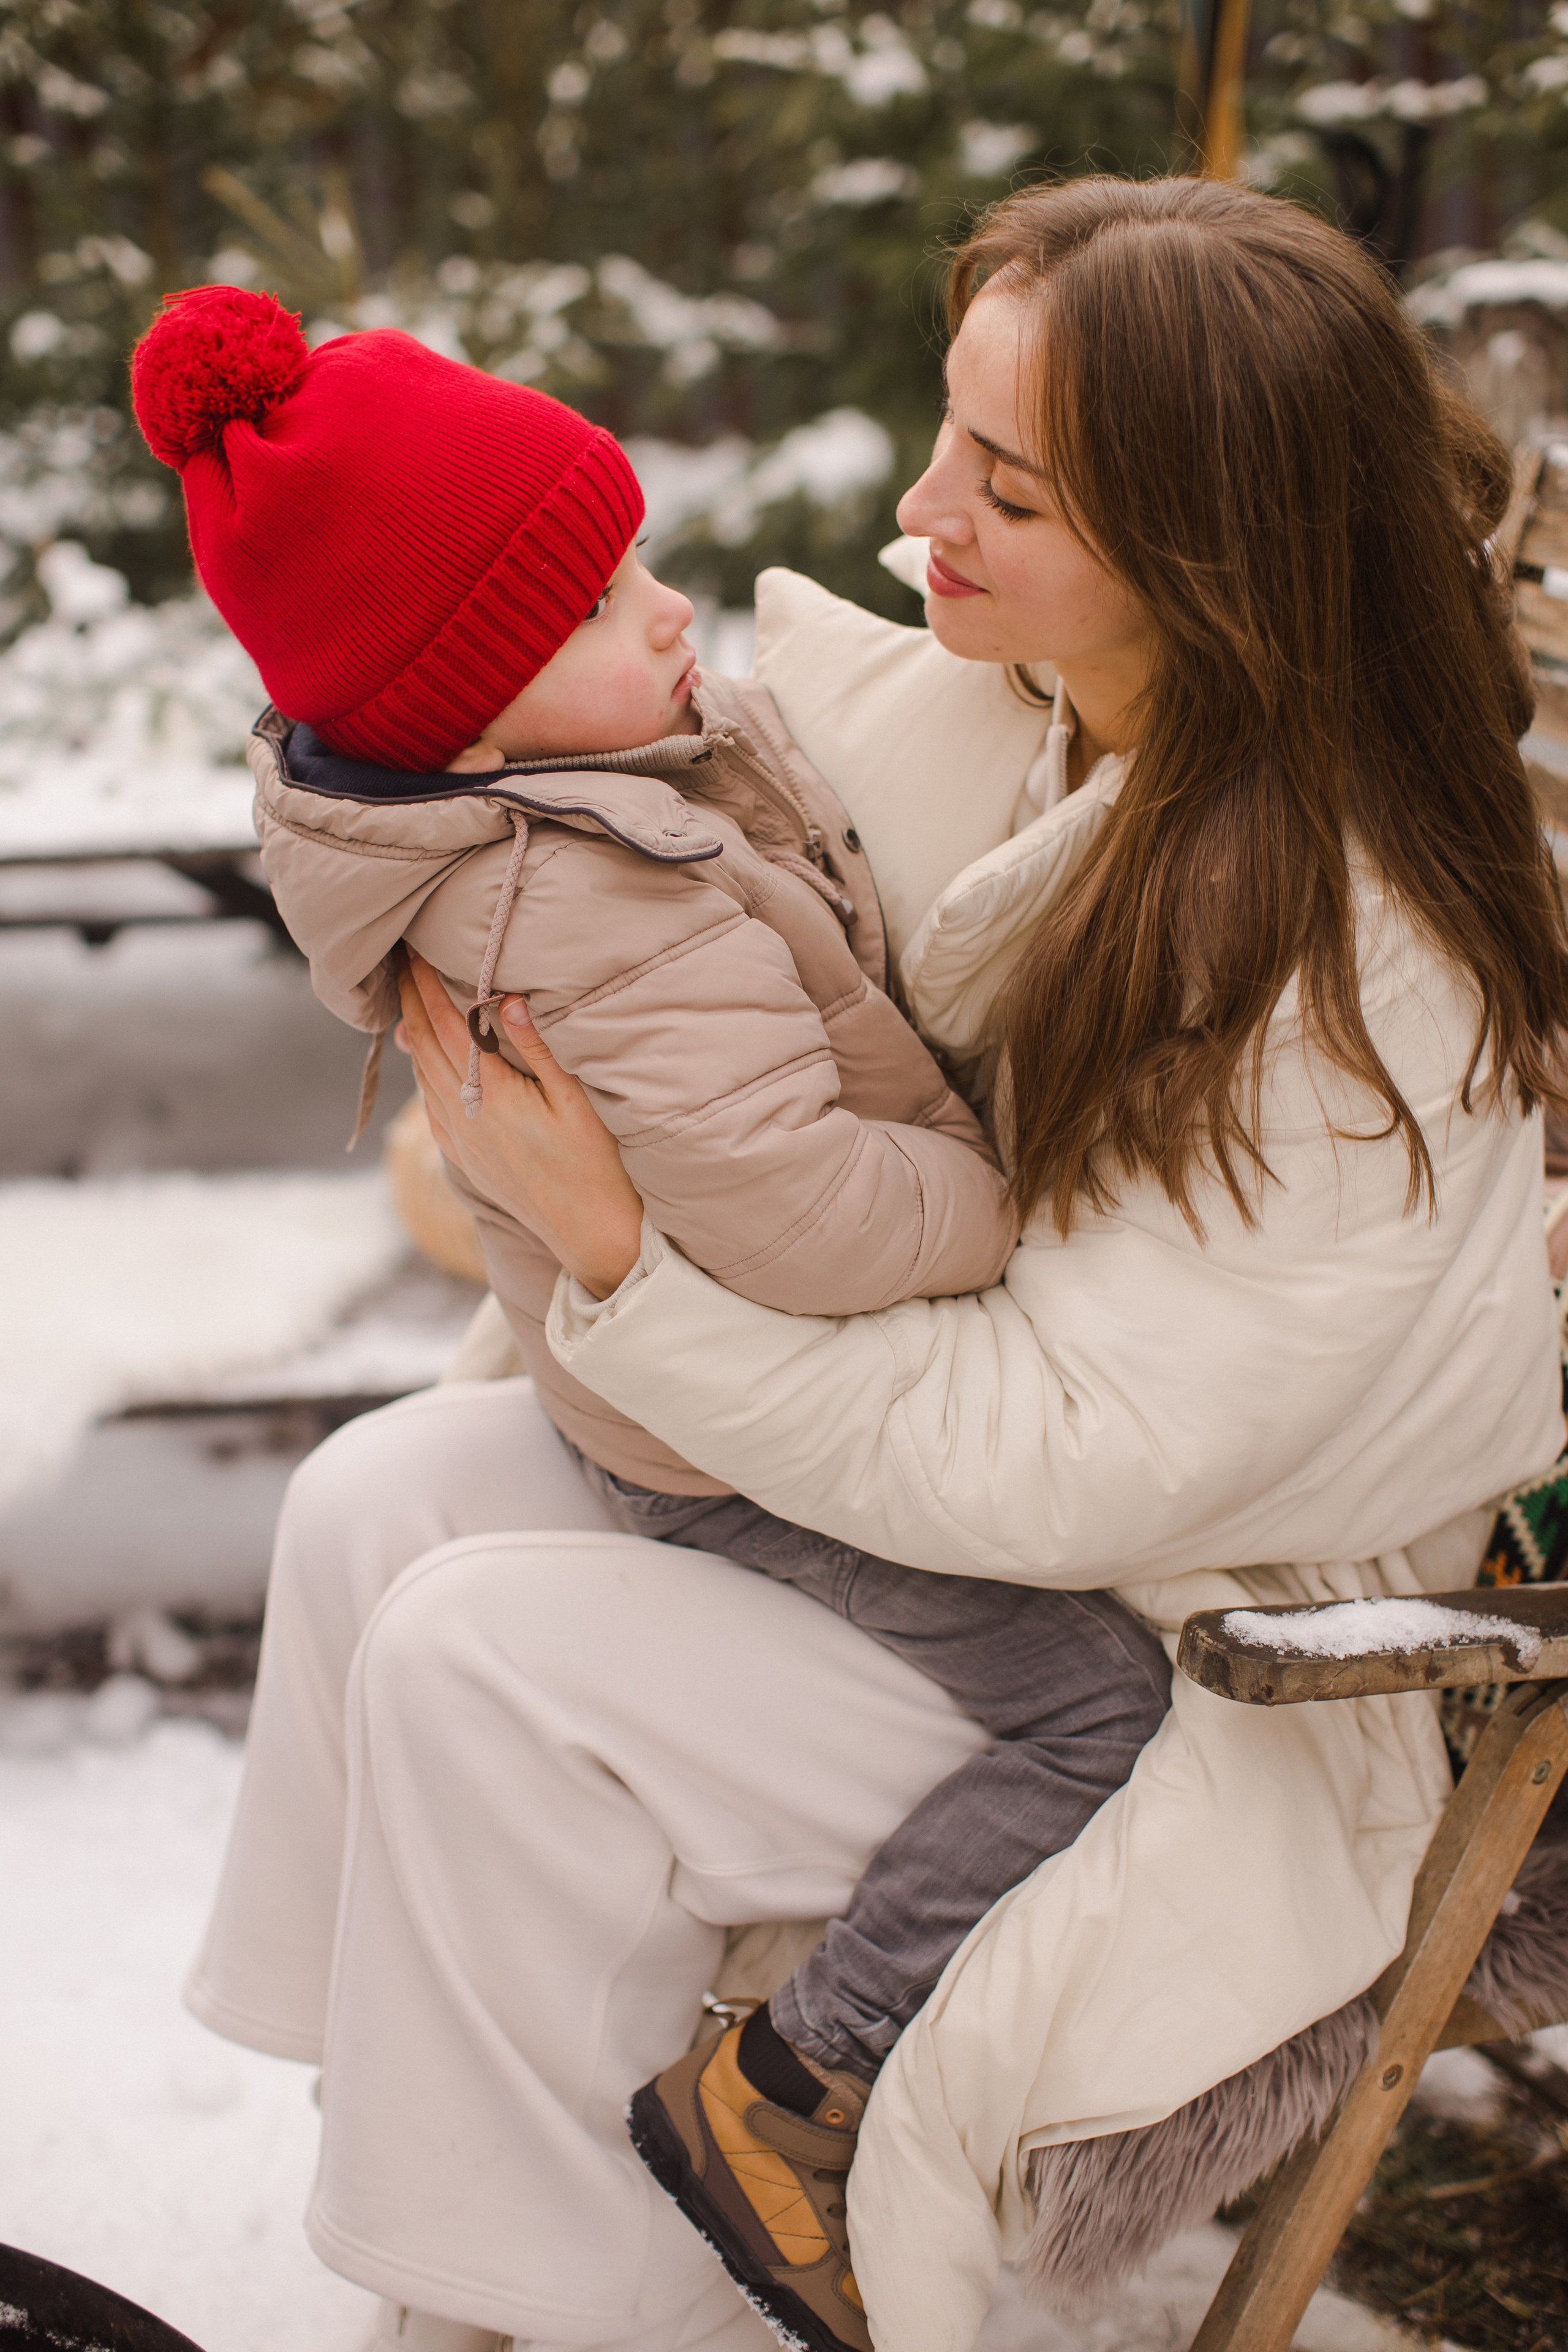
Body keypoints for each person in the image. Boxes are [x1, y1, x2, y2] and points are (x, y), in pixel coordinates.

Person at [187, 173, 1567, 2352]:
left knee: (484, 1669)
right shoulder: (1041, 711)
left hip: (1207, 1646)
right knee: (377, 1500)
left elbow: (1076, 1458)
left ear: (1206, 549)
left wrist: (626, 1260)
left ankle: (601, 2303)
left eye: (1005, 487)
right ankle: (462, 2234)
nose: (924, 513)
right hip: (981, 1506)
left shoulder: (1343, 966)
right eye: (950, 433)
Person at [131, 288, 1172, 2352]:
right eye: (611, 608)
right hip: (748, 1443)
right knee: (1100, 1716)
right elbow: (804, 1209)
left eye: (642, 565)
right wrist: (1008, 1193)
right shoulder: (583, 902)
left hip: (684, 1407)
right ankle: (791, 2086)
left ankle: (413, 2122)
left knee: (385, 1513)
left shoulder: (555, 805)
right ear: (480, 723)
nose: (676, 612)